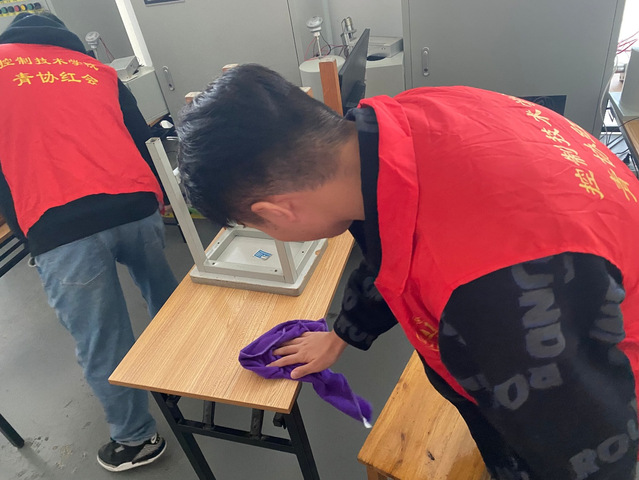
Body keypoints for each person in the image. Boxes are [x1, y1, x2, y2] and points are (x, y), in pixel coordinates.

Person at [177, 63, 639, 479]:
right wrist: (341, 334)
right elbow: (392, 241)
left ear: (277, 212)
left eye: (256, 226)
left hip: (598, 386)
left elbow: (586, 446)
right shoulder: (403, 122)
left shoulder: (484, 291)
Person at [0, 12, 178, 472]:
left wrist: (27, 234)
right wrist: (157, 198)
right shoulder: (96, 69)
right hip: (135, 204)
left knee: (104, 336)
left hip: (59, 224)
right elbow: (144, 138)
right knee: (164, 293)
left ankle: (137, 439)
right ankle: (184, 370)